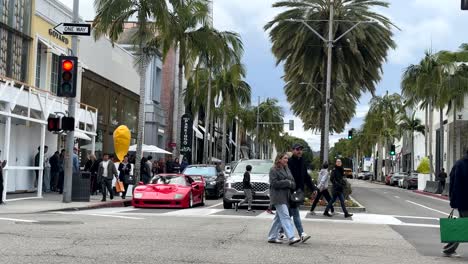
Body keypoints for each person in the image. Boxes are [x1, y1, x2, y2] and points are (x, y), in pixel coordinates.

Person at [267, 152, 301, 245]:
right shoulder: (273, 170)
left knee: (278, 218)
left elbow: (293, 182)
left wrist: (291, 184)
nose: (287, 160)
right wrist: (287, 182)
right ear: (279, 159)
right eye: (285, 158)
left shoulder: (287, 168)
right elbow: (274, 183)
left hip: (286, 196)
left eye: (287, 158)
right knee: (285, 216)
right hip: (278, 196)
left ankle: (272, 237)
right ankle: (291, 237)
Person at [442, 150, 468, 257]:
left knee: (463, 225)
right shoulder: (461, 164)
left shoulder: (459, 164)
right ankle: (449, 248)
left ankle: (449, 248)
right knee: (463, 226)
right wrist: (454, 201)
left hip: (463, 201)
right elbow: (455, 184)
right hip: (464, 202)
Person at [287, 143, 314, 243]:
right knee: (295, 213)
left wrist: (313, 188)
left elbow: (306, 176)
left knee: (289, 214)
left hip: (298, 192)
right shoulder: (289, 162)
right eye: (297, 149)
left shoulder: (302, 161)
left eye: (301, 149)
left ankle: (280, 232)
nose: (299, 151)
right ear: (293, 150)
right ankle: (302, 234)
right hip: (290, 191)